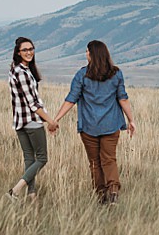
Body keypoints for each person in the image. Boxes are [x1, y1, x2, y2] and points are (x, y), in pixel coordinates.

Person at [54, 40, 136, 206]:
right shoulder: (116, 74)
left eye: (87, 51)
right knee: (109, 159)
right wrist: (131, 120)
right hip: (111, 125)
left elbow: (71, 99)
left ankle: (101, 197)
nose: (85, 54)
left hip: (89, 127)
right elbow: (123, 98)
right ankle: (113, 190)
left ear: (91, 54)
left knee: (94, 162)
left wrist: (55, 119)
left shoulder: (82, 75)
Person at [7, 37, 58, 201]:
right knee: (42, 158)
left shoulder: (16, 70)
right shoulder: (22, 73)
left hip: (20, 122)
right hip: (31, 121)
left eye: (31, 49)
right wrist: (50, 121)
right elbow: (33, 103)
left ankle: (32, 195)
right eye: (25, 50)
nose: (29, 52)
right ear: (18, 52)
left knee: (30, 159)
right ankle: (15, 190)